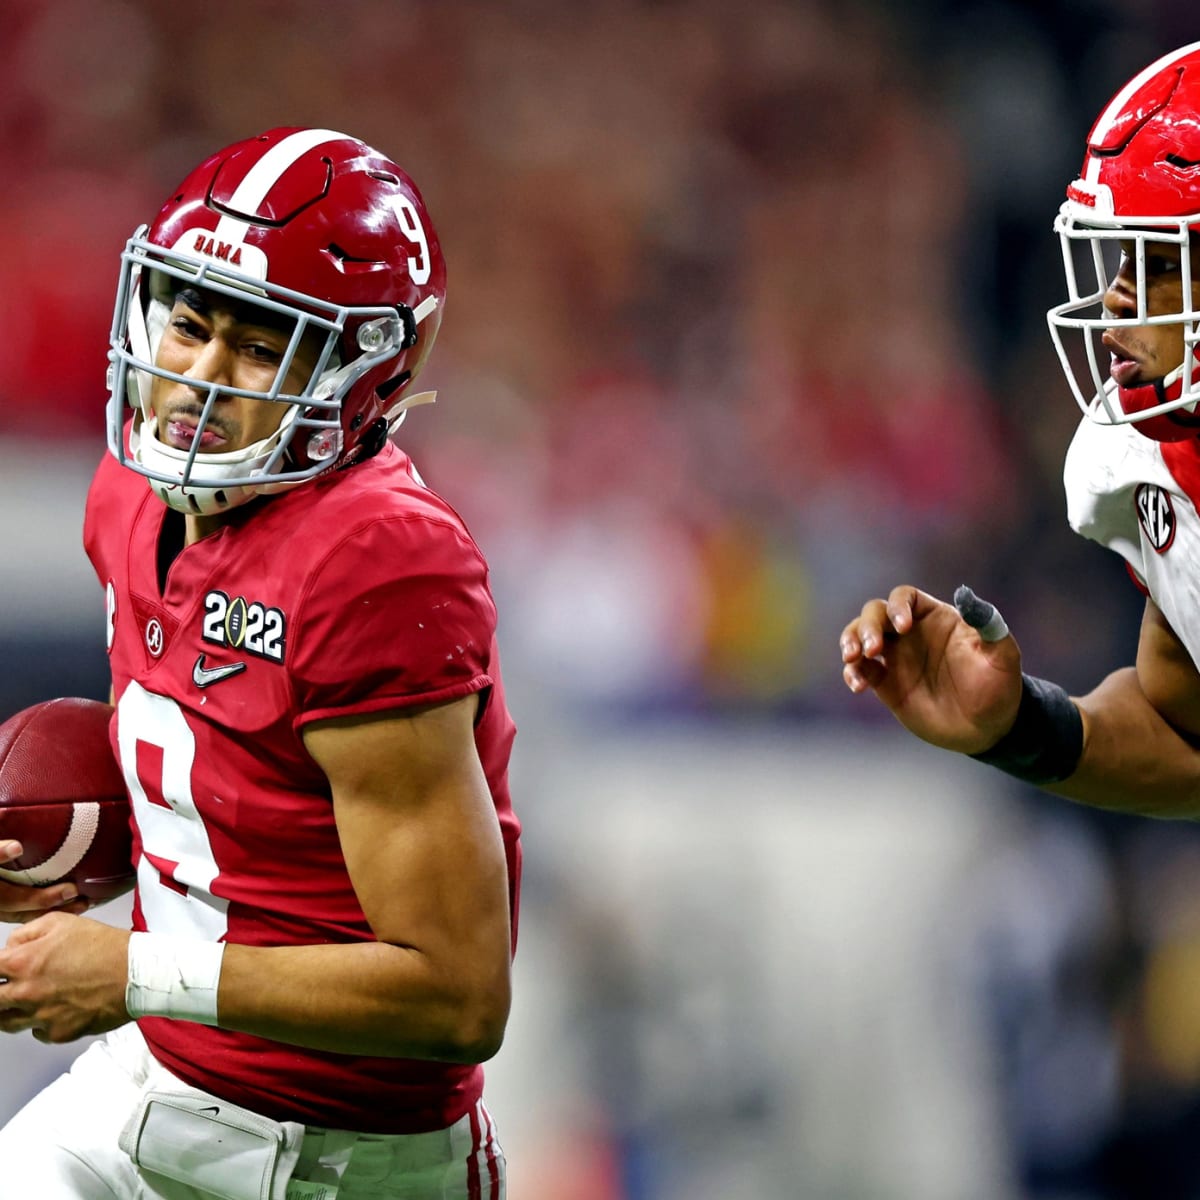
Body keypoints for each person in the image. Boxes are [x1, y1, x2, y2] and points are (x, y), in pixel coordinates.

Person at [0, 127, 520, 1199]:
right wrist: (63, 845)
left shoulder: (379, 563)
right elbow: (235, 778)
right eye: (189, 321)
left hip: (347, 1163)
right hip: (146, 1090)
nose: (194, 376)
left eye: (261, 344)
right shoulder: (130, 491)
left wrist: (134, 971)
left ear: (373, 366)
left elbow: (459, 995)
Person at [840, 42, 1200, 818]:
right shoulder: (1160, 464)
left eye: (1161, 261)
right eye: (1118, 259)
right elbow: (1186, 741)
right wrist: (1015, 727)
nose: (1117, 301)